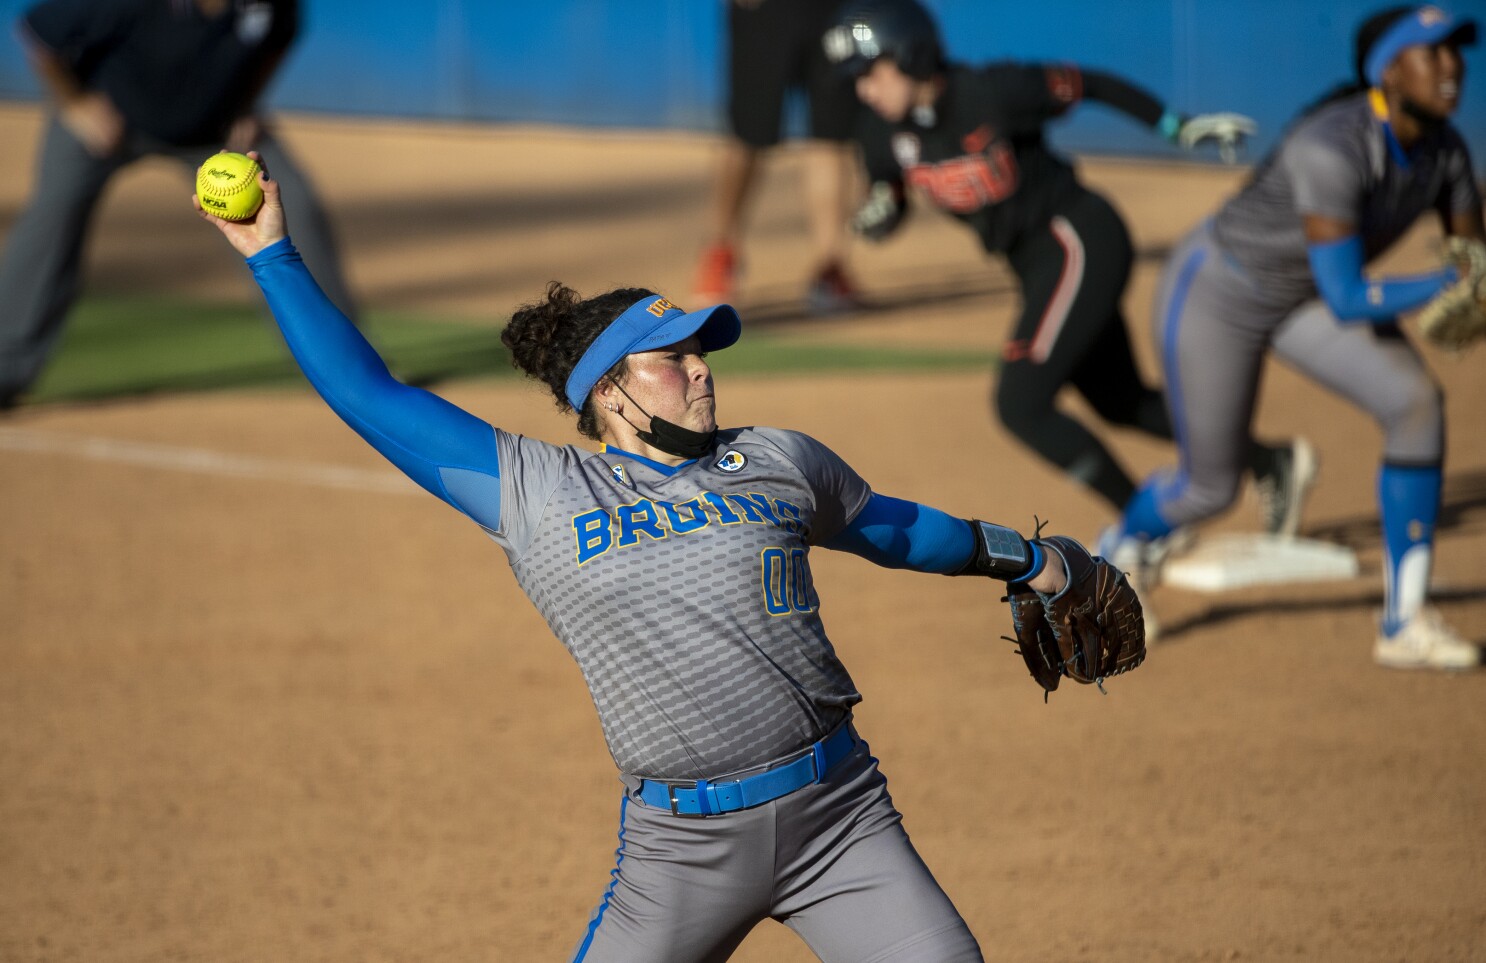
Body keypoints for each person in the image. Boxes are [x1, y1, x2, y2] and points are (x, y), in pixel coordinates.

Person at [193, 152, 1119, 961]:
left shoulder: (778, 459)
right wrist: (271, 253)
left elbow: (893, 528)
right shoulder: (538, 490)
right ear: (611, 395)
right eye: (672, 359)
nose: (703, 367)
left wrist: (1031, 561)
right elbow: (367, 392)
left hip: (842, 819)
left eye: (701, 351)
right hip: (680, 854)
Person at [821, 0, 1317, 538]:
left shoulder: (990, 92)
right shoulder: (878, 132)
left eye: (872, 72)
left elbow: (1088, 84)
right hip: (1037, 266)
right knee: (1120, 401)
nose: (864, 89)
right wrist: (881, 213)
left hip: (1078, 238)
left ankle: (1148, 527)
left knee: (1021, 402)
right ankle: (1269, 462)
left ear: (912, 55)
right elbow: (890, 194)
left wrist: (1175, 126)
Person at [1099, 5, 1483, 670]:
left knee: (1414, 402)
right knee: (1209, 487)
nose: (1452, 68)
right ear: (1387, 69)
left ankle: (1405, 620)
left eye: (1457, 52)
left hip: (1302, 299)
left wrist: (1473, 282)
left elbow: (1469, 256)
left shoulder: (1446, 152)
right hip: (1220, 292)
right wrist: (1450, 284)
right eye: (1432, 53)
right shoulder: (1331, 144)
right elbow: (1352, 295)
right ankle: (1112, 561)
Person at [0, 0, 356, 410]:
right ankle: (6, 369)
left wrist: (246, 104)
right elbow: (37, 34)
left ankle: (348, 370)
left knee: (294, 206)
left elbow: (280, 38)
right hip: (110, 123)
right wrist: (75, 105)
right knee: (50, 222)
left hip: (212, 133)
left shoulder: (270, 4)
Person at [693, 0, 865, 314]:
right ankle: (720, 252)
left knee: (832, 137)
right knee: (748, 135)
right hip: (767, 10)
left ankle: (830, 267)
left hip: (835, 10)